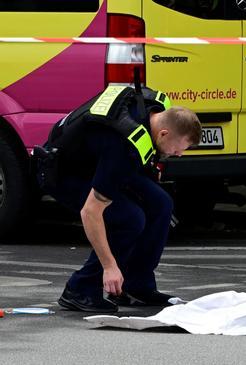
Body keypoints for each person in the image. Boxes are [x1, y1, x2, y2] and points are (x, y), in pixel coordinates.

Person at [35, 85, 201, 313]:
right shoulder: (123, 148)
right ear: (164, 133)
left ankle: (136, 286)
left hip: (95, 159)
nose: (179, 154)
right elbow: (90, 212)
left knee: (161, 204)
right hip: (65, 173)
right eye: (178, 148)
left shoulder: (156, 108)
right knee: (129, 219)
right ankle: (80, 289)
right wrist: (109, 266)